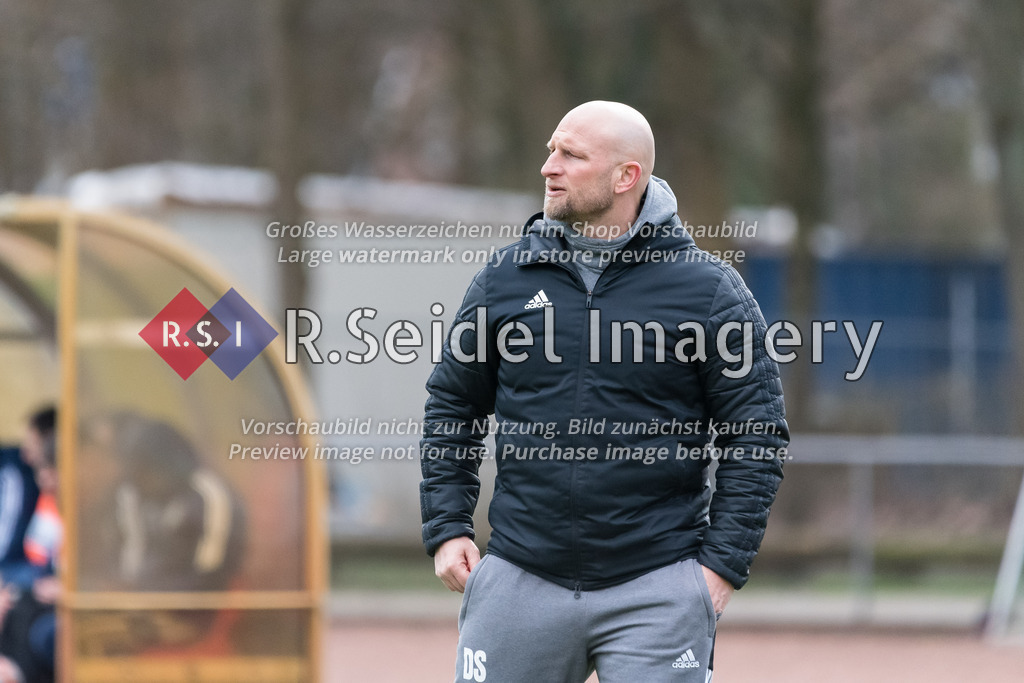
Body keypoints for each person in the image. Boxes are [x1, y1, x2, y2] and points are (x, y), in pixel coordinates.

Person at [420, 101, 789, 682]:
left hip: (658, 583)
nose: (549, 166)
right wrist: (446, 528)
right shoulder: (503, 280)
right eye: (550, 150)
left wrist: (720, 568)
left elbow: (757, 434)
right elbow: (452, 406)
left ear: (626, 177)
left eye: (571, 154)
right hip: (519, 574)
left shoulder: (710, 292)